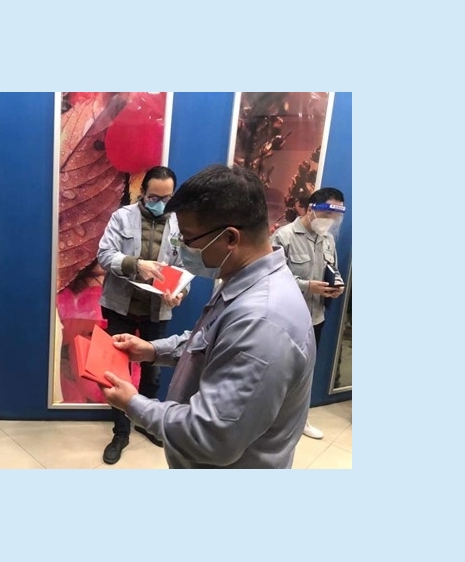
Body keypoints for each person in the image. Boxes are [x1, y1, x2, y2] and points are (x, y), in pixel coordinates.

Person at [101, 164, 315, 469]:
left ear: (230, 238)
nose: (183, 249)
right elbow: (212, 342)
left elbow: (211, 437)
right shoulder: (245, 281)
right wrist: (152, 350)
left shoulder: (263, 321)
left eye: (188, 239)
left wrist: (132, 404)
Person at [96, 165, 188, 464]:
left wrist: (180, 292)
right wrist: (136, 264)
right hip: (120, 305)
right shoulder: (122, 217)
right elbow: (104, 255)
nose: (160, 203)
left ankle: (147, 422)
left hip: (157, 309)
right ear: (142, 193)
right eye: (154, 197)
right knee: (116, 371)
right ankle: (120, 432)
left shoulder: (179, 225)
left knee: (153, 371)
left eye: (166, 198)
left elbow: (184, 266)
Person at [270, 187, 346, 439]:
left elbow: (332, 269)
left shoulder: (328, 240)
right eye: (327, 214)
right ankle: (269, 420)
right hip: (286, 319)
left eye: (335, 216)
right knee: (278, 370)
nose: (330, 221)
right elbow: (271, 277)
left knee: (305, 373)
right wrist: (307, 286)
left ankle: (299, 419)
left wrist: (335, 286)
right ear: (311, 209)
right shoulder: (284, 236)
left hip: (315, 318)